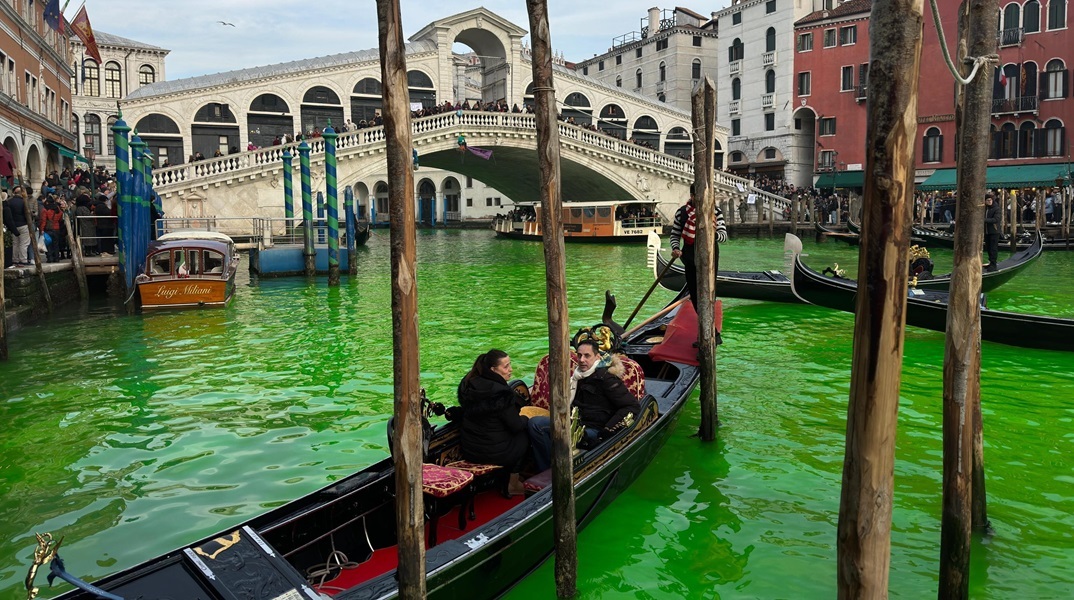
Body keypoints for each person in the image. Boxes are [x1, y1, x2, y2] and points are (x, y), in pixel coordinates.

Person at [528, 339, 640, 472]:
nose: (581, 360)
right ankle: (547, 470)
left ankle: (557, 471)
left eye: (587, 356)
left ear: (597, 357)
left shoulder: (606, 379)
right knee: (535, 424)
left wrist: (608, 430)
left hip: (594, 430)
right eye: (579, 355)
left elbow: (632, 407)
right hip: (573, 422)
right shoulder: (577, 377)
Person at [457, 350, 530, 494]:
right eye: (506, 366)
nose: (510, 369)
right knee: (523, 437)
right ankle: (513, 484)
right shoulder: (501, 393)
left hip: (469, 450)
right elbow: (515, 426)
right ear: (493, 370)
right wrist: (526, 418)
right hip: (492, 453)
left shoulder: (469, 385)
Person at [669, 183, 728, 309]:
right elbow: (674, 235)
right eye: (701, 196)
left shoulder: (715, 212)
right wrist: (676, 249)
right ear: (692, 196)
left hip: (710, 256)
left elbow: (723, 236)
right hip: (689, 256)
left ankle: (709, 324)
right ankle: (700, 320)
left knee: (710, 290)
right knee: (695, 292)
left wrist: (713, 233)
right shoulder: (682, 213)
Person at [984, 192, 1001, 271]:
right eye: (987, 200)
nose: (989, 201)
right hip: (986, 232)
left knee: (993, 248)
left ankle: (993, 265)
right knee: (988, 248)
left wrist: (984, 220)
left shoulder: (996, 208)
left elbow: (996, 219)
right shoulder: (984, 209)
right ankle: (990, 262)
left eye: (990, 200)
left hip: (994, 231)